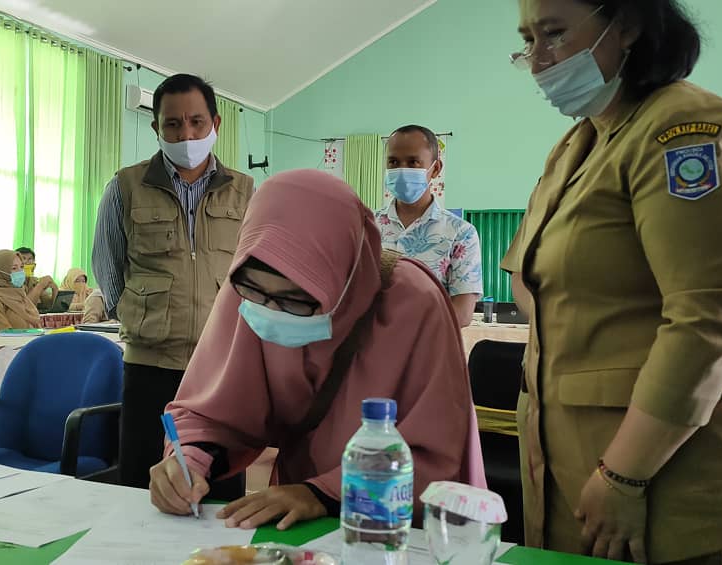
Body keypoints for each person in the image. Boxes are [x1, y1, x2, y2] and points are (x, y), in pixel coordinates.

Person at [503, 1, 722, 563]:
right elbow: (528, 276)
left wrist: (624, 474)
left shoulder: (685, 129)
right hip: (581, 475)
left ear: (627, 24)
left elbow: (707, 319)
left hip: (682, 480)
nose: (541, 60)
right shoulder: (576, 147)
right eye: (528, 41)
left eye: (555, 33)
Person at [149, 170, 483, 530]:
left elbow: (437, 454)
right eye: (258, 296)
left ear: (342, 275)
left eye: (296, 301)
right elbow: (212, 410)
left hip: (392, 526)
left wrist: (323, 494)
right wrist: (189, 461)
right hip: (297, 519)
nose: (270, 315)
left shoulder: (416, 305)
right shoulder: (248, 288)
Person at [92, 73, 254, 489]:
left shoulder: (246, 192)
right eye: (173, 124)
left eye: (197, 122)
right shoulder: (125, 187)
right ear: (156, 128)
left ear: (216, 125)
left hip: (219, 369)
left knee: (219, 487)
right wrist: (140, 314)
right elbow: (108, 268)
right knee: (142, 489)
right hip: (149, 367)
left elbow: (255, 272)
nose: (186, 134)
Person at [376, 125, 483, 327]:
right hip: (368, 352)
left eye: (413, 162)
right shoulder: (365, 226)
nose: (402, 169)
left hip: (428, 352)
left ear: (435, 169)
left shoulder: (460, 233)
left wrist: (403, 330)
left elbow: (462, 312)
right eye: (393, 162)